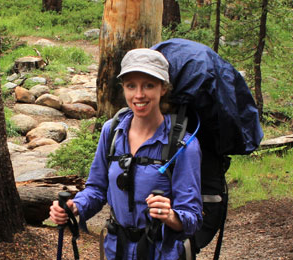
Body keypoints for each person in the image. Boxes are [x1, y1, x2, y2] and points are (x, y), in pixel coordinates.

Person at [50, 48, 203, 260]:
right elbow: (96, 189)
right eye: (131, 86)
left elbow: (192, 218)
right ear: (124, 88)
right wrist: (74, 207)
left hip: (160, 253)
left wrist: (170, 215)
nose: (139, 95)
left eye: (149, 85)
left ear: (163, 88)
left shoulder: (183, 145)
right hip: (116, 250)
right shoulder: (111, 132)